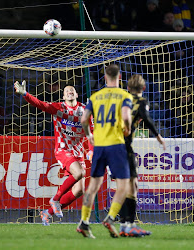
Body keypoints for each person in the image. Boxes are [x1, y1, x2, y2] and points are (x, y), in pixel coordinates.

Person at [14, 81, 93, 226]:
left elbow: (92, 133)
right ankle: (55, 199)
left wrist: (92, 151)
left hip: (78, 153)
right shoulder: (58, 108)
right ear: (63, 96)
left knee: (79, 191)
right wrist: (25, 94)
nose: (69, 91)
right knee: (80, 173)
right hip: (63, 150)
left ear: (76, 94)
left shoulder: (84, 111)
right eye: (67, 90)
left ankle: (47, 213)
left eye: (72, 90)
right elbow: (40, 104)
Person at [76, 64, 132, 238]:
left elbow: (84, 119)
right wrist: (127, 129)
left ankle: (84, 222)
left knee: (93, 186)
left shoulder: (95, 96)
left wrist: (88, 135)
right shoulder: (124, 95)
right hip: (116, 144)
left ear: (105, 77)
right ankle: (110, 217)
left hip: (99, 146)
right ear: (120, 77)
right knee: (124, 186)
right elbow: (125, 117)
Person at [118, 74, 166, 237]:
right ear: (144, 88)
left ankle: (124, 225)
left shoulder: (122, 100)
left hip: (111, 145)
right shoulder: (141, 102)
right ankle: (128, 224)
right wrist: (157, 136)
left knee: (125, 186)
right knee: (133, 186)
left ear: (128, 88)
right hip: (124, 147)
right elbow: (146, 118)